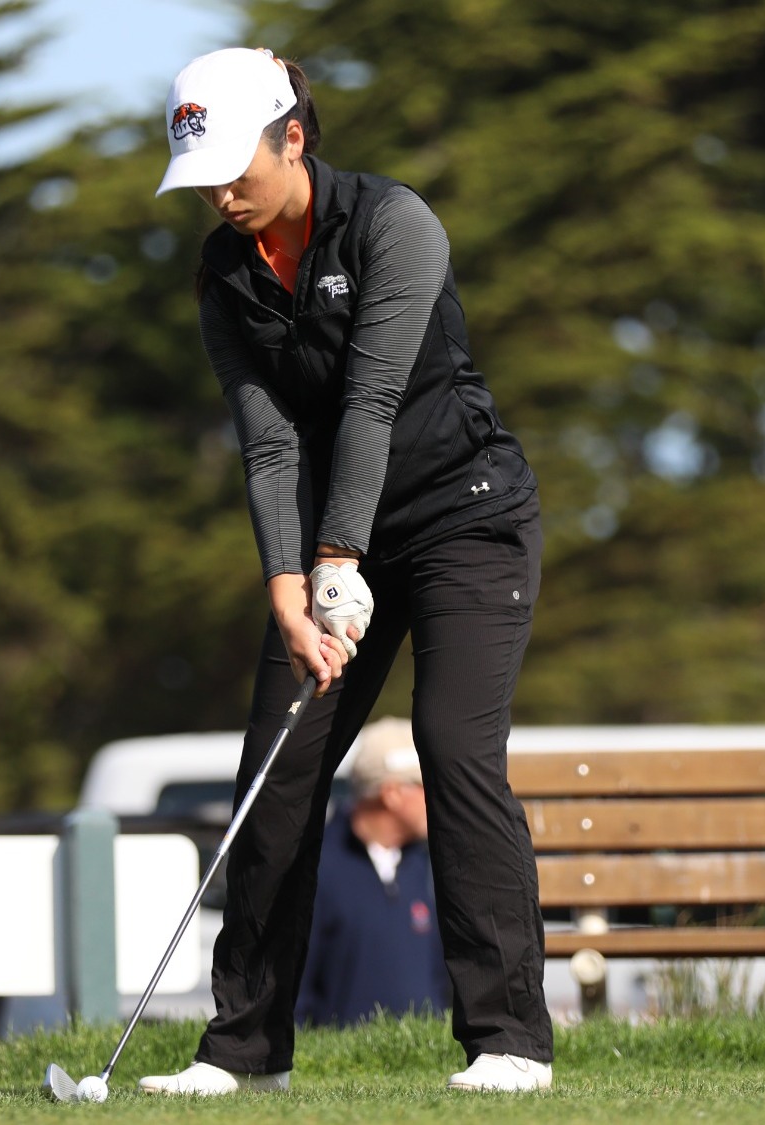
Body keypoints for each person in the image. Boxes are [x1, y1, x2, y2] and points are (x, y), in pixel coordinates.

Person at [137, 47, 553, 1095]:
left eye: (238, 168)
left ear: (294, 138)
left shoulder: (392, 226)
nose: (223, 195)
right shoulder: (224, 276)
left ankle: (507, 1042)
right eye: (204, 180)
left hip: (467, 521)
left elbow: (370, 403)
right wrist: (289, 587)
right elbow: (270, 446)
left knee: (450, 750)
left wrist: (334, 560)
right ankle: (242, 1054)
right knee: (275, 774)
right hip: (333, 539)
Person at [294, 717, 451, 1028]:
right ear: (392, 793)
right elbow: (292, 995)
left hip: (429, 1064)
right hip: (340, 1067)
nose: (440, 796)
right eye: (427, 784)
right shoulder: (313, 866)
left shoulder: (428, 864)